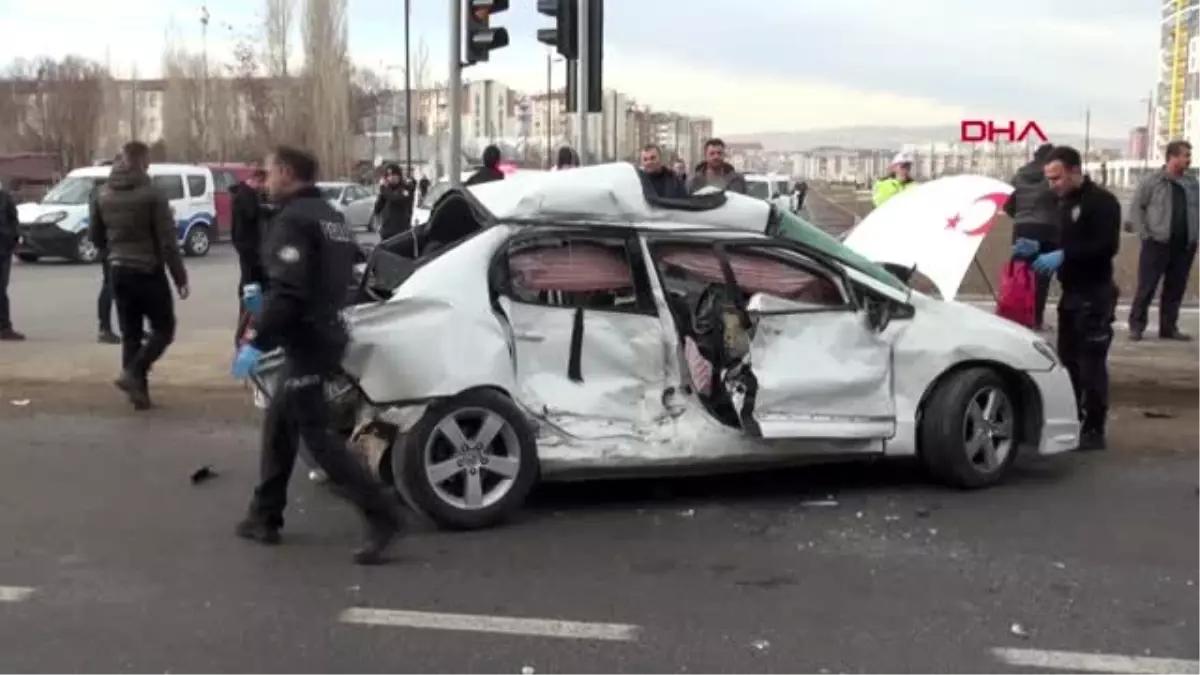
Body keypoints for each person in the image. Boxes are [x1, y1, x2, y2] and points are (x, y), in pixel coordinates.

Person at [231, 145, 401, 565]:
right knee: (280, 423)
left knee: (317, 435)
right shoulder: (332, 219)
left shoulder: (293, 220)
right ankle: (264, 515)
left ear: (287, 172)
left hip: (307, 338)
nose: (266, 181)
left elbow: (289, 290)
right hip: (325, 332)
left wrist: (256, 341)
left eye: (269, 173)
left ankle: (381, 513)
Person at [1025, 145, 1120, 451]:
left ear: (1075, 171)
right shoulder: (1064, 204)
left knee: (1092, 362)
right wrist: (1038, 250)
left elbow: (1106, 246)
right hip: (1071, 293)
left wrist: (1064, 254)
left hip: (1095, 293)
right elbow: (1064, 243)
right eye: (1049, 179)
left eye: (1057, 177)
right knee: (1068, 362)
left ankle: (1095, 427)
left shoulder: (1103, 202)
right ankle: (1073, 418)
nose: (1053, 184)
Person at [88, 141, 189, 409]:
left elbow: (95, 237)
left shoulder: (101, 193)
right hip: (148, 270)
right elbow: (167, 241)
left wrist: (114, 251)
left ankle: (138, 394)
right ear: (144, 162)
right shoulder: (153, 194)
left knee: (131, 333)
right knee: (164, 329)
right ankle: (134, 372)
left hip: (118, 269)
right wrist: (180, 278)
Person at [1128, 140, 1200, 341]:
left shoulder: (1192, 183)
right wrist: (1144, 234)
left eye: (1188, 155)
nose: (1188, 159)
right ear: (1172, 157)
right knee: (1147, 287)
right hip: (1157, 243)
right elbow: (1137, 208)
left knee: (1175, 289)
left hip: (1184, 245)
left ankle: (1168, 328)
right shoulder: (1153, 181)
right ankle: (1137, 326)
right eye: (1185, 155)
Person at [1004, 143, 1059, 330]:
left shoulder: (1019, 175)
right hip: (1047, 230)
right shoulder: (1052, 176)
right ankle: (1036, 320)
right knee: (1041, 277)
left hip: (1022, 230)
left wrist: (1020, 218)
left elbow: (1007, 204)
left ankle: (1018, 318)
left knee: (1021, 275)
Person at [232, 168, 269, 343]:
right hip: (252, 258)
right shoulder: (246, 198)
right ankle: (243, 339)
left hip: (251, 256)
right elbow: (252, 216)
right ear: (257, 180)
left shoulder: (244, 196)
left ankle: (246, 338)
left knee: (251, 301)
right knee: (250, 302)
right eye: (262, 185)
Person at [0, 180, 23, 341]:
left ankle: (4, 327)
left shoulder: (5, 198)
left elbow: (14, 221)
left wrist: (11, 241)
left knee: (1, 289)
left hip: (2, 250)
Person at [371, 164, 414, 241]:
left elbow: (395, 198)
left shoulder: (406, 188)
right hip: (386, 232)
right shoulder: (387, 191)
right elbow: (378, 208)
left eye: (394, 175)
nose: (391, 178)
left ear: (399, 176)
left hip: (400, 232)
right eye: (388, 175)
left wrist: (383, 188)